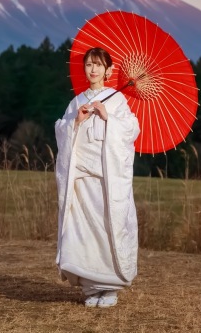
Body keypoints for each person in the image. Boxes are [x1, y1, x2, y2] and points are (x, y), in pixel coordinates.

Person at [54, 47, 140, 308]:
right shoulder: (76, 101)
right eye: (89, 64)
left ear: (109, 70)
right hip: (82, 179)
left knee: (106, 227)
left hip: (105, 178)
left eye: (99, 65)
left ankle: (110, 286)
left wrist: (108, 117)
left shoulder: (117, 101)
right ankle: (92, 287)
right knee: (82, 231)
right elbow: (61, 129)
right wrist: (75, 123)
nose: (93, 70)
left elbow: (131, 129)